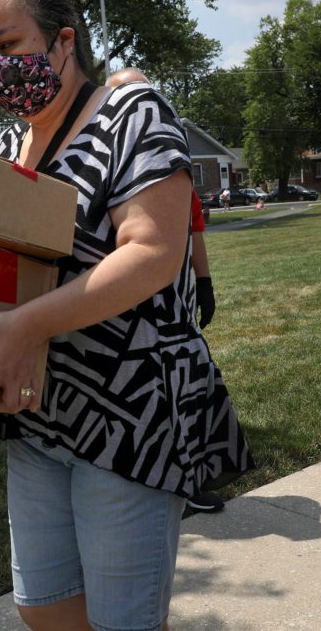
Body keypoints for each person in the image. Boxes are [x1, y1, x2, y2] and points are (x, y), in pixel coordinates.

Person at [0, 0, 252, 631]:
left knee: (123, 621)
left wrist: (30, 325)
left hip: (129, 413)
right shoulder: (10, 145)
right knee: (42, 607)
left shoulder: (133, 110)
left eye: (8, 44)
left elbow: (155, 253)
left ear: (63, 38)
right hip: (36, 413)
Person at [105, 68, 224, 515]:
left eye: (145, 94)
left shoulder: (170, 166)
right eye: (125, 95)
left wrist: (205, 283)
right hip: (124, 311)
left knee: (186, 387)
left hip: (176, 300)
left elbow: (194, 229)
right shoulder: (102, 167)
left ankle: (187, 481)